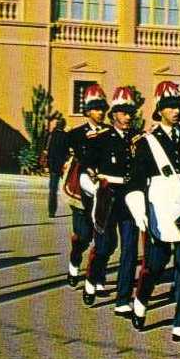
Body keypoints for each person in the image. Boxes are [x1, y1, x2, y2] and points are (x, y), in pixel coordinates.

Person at [125, 81, 180, 345]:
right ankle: (141, 299)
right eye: (170, 107)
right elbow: (135, 180)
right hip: (160, 210)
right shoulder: (146, 143)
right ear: (159, 111)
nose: (176, 111)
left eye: (178, 106)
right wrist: (138, 209)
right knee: (155, 266)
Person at [79, 87, 140, 312]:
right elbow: (85, 167)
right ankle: (91, 279)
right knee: (104, 247)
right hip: (107, 195)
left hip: (130, 197)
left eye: (130, 113)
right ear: (114, 114)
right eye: (123, 113)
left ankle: (123, 300)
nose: (127, 117)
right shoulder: (101, 138)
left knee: (130, 250)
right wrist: (93, 188)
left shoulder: (138, 138)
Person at [64, 84, 110, 289]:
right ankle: (74, 262)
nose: (101, 112)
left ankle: (97, 276)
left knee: (103, 235)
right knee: (83, 235)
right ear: (88, 111)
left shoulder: (110, 132)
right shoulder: (75, 134)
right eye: (96, 108)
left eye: (103, 109)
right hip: (81, 186)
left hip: (104, 186)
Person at [46, 115, 68, 217]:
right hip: (63, 166)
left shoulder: (51, 135)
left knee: (53, 189)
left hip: (53, 166)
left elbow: (48, 150)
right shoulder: (65, 136)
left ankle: (51, 211)